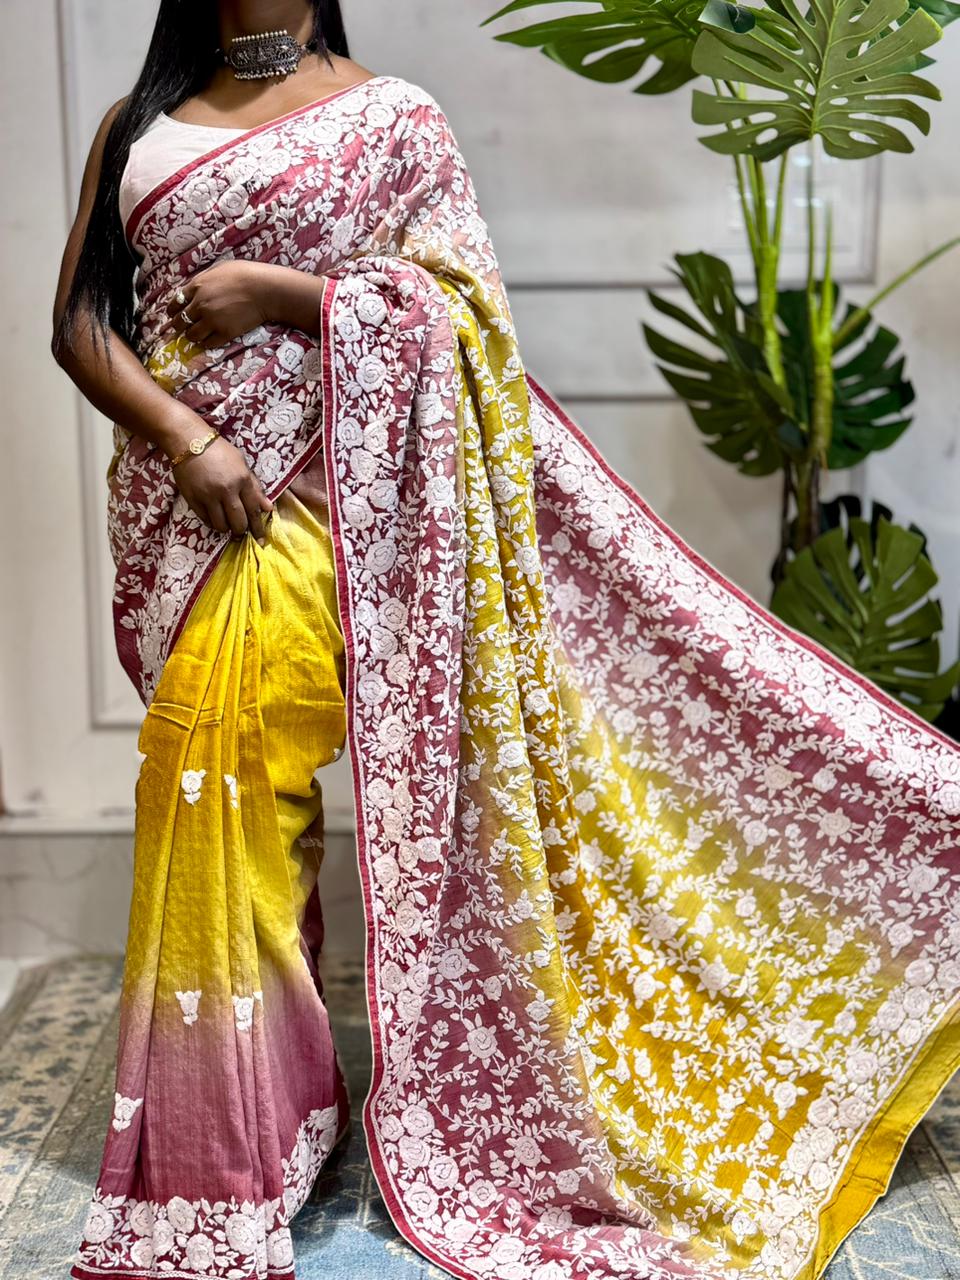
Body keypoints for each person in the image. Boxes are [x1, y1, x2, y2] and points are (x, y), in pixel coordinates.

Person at [52, 3, 960, 1279]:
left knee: (218, 757)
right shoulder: (135, 125)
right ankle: (277, 1109)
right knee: (227, 793)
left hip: (332, 506)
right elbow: (81, 325)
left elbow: (464, 325)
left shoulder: (392, 119)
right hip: (185, 509)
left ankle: (218, 1156)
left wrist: (284, 295)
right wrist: (187, 437)